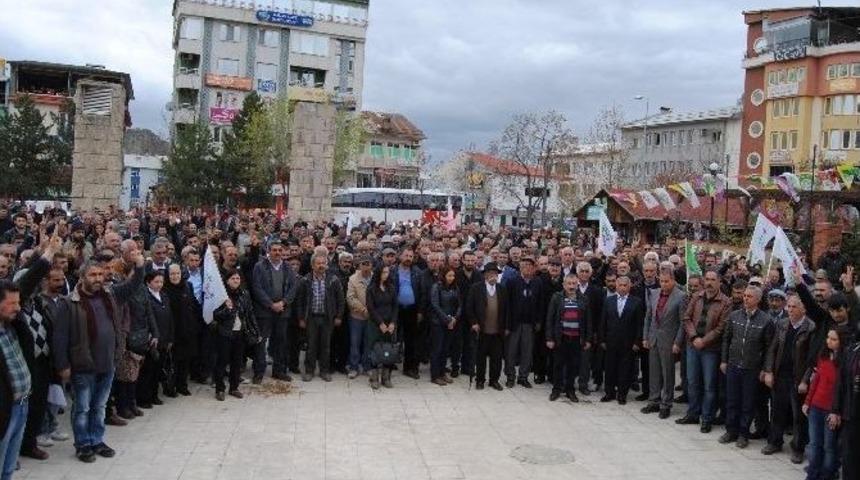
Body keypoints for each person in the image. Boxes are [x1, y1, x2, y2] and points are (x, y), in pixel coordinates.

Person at [52, 251, 145, 463]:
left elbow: (132, 286)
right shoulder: (69, 303)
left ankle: (97, 439)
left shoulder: (110, 295)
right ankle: (83, 444)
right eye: (92, 275)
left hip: (108, 363)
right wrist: (63, 365)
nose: (97, 279)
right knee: (83, 408)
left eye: (100, 275)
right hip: (83, 366)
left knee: (100, 406)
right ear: (82, 277)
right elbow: (59, 337)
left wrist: (140, 266)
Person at [676, 269, 731, 433]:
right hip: (692, 345)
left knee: (709, 386)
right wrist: (693, 337)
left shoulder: (725, 302)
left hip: (710, 349)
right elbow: (686, 318)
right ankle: (693, 413)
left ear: (719, 282)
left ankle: (706, 418)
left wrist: (704, 341)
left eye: (713, 279)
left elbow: (721, 328)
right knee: (692, 382)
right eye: (707, 279)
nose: (709, 283)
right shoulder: (696, 296)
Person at [719, 286, 775, 449]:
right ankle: (731, 431)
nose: (745, 298)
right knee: (732, 400)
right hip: (733, 364)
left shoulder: (766, 320)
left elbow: (768, 348)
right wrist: (724, 360)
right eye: (744, 295)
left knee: (747, 402)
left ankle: (743, 434)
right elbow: (726, 340)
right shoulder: (734, 316)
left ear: (758, 299)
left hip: (752, 368)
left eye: (749, 296)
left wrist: (765, 368)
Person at [761, 294, 815, 462]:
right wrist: (769, 371)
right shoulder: (782, 324)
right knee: (777, 411)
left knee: (798, 416)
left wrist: (805, 380)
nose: (790, 310)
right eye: (789, 307)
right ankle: (775, 441)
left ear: (803, 309)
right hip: (780, 375)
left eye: (794, 307)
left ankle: (798, 447)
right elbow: (772, 349)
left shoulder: (810, 327)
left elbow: (812, 358)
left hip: (798, 378)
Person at [250, 240, 298, 383]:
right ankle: (259, 372)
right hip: (264, 311)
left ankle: (279, 371)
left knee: (281, 342)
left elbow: (293, 288)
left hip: (283, 311)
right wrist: (271, 304)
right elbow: (257, 288)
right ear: (269, 251)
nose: (277, 253)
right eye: (274, 250)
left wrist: (283, 302)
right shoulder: (259, 267)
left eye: (280, 250)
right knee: (261, 342)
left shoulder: (288, 267)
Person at [641, 272, 686, 419]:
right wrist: (645, 337)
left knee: (667, 374)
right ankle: (654, 401)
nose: (664, 284)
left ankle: (666, 404)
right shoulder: (653, 293)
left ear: (673, 281)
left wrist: (677, 342)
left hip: (669, 340)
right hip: (653, 338)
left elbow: (682, 322)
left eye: (667, 281)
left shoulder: (680, 296)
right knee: (654, 372)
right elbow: (648, 316)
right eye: (661, 281)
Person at [212, 270, 261, 401]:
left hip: (240, 333)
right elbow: (215, 315)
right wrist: (227, 309)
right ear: (227, 280)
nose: (235, 280)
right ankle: (220, 389)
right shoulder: (222, 294)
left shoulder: (244, 293)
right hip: (224, 333)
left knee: (237, 362)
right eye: (233, 278)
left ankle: (234, 387)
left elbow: (249, 313)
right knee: (222, 362)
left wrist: (256, 331)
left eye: (238, 278)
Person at [297, 253, 344, 382]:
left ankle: (324, 370)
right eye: (318, 263)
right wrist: (301, 318)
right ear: (312, 265)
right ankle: (309, 371)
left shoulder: (333, 280)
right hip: (311, 318)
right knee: (311, 345)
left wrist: (339, 316)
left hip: (327, 318)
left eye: (323, 263)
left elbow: (340, 300)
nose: (321, 266)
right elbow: (300, 301)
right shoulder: (305, 281)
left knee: (326, 346)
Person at [545, 273, 591, 402]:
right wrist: (549, 338)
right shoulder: (557, 297)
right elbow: (550, 318)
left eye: (574, 284)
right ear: (564, 285)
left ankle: (570, 390)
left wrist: (587, 339)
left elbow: (588, 320)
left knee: (573, 365)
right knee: (558, 365)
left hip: (576, 339)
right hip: (561, 337)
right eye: (569, 284)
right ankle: (556, 389)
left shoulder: (583, 299)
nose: (571, 286)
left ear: (577, 285)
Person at [803, 328, 841, 480]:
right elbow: (816, 381)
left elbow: (841, 390)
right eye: (828, 338)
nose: (828, 341)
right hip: (815, 406)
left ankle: (827, 474)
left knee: (829, 446)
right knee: (814, 443)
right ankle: (813, 472)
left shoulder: (844, 362)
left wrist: (836, 411)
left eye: (833, 339)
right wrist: (807, 401)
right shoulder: (823, 356)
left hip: (831, 409)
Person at [598, 275, 643, 405]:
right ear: (616, 286)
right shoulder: (608, 300)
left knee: (625, 369)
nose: (622, 288)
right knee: (610, 367)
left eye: (625, 285)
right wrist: (602, 339)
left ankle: (622, 394)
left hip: (628, 342)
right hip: (611, 341)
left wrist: (637, 341)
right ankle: (609, 393)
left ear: (629, 287)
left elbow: (639, 324)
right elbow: (603, 321)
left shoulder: (636, 302)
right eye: (620, 285)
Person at [0, 280, 28, 480]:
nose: (18, 308)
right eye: (12, 303)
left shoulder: (12, 325)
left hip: (21, 404)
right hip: (4, 410)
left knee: (9, 466)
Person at [467, 262, 507, 391]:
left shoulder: (502, 289)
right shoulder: (476, 288)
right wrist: (473, 322)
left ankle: (494, 380)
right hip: (482, 329)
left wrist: (506, 327)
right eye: (490, 273)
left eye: (495, 274)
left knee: (496, 358)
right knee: (481, 358)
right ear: (485, 275)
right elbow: (470, 308)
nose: (493, 276)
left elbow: (507, 310)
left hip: (497, 330)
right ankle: (480, 380)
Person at [504, 257, 543, 389]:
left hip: (529, 324)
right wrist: (507, 324)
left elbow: (540, 304)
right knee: (511, 351)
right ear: (520, 267)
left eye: (529, 265)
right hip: (514, 323)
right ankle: (510, 376)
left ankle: (523, 377)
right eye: (524, 264)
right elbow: (507, 304)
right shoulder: (512, 281)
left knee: (527, 351)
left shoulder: (538, 282)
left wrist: (538, 321)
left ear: (533, 268)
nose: (527, 267)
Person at [137, 271, 174, 408]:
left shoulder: (164, 296)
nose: (159, 285)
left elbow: (170, 318)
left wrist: (170, 338)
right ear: (148, 282)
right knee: (148, 371)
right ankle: (143, 398)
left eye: (161, 282)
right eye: (156, 282)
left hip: (164, 339)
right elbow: (146, 319)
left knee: (158, 370)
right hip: (151, 340)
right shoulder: (145, 297)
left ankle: (154, 395)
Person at [391, 248, 423, 380]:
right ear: (400, 256)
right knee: (393, 338)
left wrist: (420, 311)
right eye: (406, 255)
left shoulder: (417, 272)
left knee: (412, 340)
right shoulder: (392, 271)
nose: (408, 258)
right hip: (396, 309)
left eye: (411, 256)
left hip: (412, 310)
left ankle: (409, 367)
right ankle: (389, 363)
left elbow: (422, 293)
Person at [162, 264, 195, 396]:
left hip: (187, 330)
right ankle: (170, 387)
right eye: (172, 274)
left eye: (177, 273)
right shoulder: (164, 290)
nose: (175, 276)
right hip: (172, 331)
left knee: (185, 360)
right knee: (173, 362)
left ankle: (183, 385)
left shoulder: (187, 287)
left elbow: (193, 306)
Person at [366, 265, 398, 389]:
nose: (386, 274)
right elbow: (371, 308)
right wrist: (380, 323)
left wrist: (392, 323)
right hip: (375, 323)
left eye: (387, 272)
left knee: (389, 349)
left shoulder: (391, 288)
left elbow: (395, 306)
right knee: (374, 349)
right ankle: (374, 377)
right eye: (384, 272)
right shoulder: (371, 289)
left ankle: (386, 376)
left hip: (390, 323)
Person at [429, 267, 460, 386]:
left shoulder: (455, 288)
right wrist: (447, 319)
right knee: (437, 349)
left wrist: (454, 318)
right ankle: (435, 375)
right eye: (449, 276)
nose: (451, 278)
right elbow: (435, 305)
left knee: (445, 349)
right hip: (438, 322)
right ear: (444, 276)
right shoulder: (436, 287)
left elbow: (459, 305)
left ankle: (442, 372)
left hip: (451, 322)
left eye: (453, 276)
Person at [345, 255, 373, 378]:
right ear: (359, 265)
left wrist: (372, 310)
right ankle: (354, 367)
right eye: (363, 264)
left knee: (369, 343)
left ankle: (367, 366)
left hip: (372, 317)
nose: (366, 266)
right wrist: (363, 309)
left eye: (368, 264)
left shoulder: (375, 278)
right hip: (357, 316)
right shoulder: (353, 279)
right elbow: (350, 298)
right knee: (355, 343)